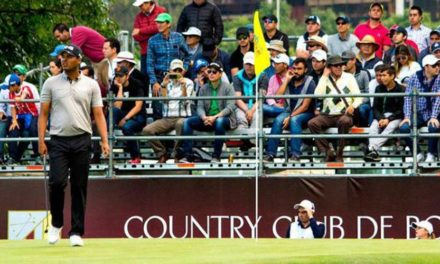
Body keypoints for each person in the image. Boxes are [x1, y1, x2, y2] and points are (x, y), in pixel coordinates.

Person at [38, 44, 109, 247]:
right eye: (62, 57)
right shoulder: (51, 83)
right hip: (58, 140)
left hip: (82, 139)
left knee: (79, 186)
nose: (63, 60)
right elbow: (43, 113)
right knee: (57, 183)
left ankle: (76, 231)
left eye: (68, 57)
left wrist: (104, 141)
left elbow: (98, 114)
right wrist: (41, 139)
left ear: (78, 60)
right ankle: (56, 224)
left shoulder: (91, 85)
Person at [179, 62, 236, 163]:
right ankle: (187, 155)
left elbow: (230, 107)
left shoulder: (228, 87)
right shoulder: (204, 88)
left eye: (214, 71)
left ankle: (216, 156)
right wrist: (204, 117)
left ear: (220, 74)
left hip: (224, 119)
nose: (211, 74)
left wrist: (215, 117)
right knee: (187, 122)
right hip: (207, 119)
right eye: (209, 71)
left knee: (219, 122)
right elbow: (199, 106)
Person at [308, 55, 362, 162]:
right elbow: (318, 95)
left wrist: (353, 106)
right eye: (335, 66)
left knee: (344, 121)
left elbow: (359, 97)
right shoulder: (324, 79)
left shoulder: (349, 77)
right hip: (327, 114)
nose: (338, 67)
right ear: (329, 67)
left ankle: (339, 153)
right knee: (312, 123)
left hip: (344, 114)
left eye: (340, 65)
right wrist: (324, 76)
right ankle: (328, 151)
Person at [264, 58, 316, 162]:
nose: (296, 71)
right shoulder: (289, 80)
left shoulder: (310, 82)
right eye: (295, 68)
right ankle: (271, 154)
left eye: (299, 69)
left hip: (306, 113)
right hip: (290, 110)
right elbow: (277, 97)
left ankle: (295, 154)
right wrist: (286, 79)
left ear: (305, 70)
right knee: (278, 120)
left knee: (294, 120)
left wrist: (290, 117)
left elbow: (305, 106)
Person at [142, 59, 194, 163]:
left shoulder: (188, 82)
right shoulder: (166, 83)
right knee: (147, 130)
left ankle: (176, 154)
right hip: (167, 118)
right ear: (170, 71)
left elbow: (186, 102)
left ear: (183, 71)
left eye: (180, 70)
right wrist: (163, 86)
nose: (177, 73)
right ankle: (162, 153)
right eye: (175, 70)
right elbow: (163, 101)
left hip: (182, 117)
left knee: (180, 124)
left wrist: (183, 86)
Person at [147, 13, 190, 119]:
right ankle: (159, 132)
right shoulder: (152, 40)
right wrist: (154, 82)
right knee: (158, 107)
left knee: (177, 104)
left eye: (162, 22)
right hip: (159, 76)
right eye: (157, 22)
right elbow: (149, 63)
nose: (159, 25)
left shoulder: (178, 38)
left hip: (176, 75)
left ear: (169, 24)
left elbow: (188, 56)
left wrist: (184, 70)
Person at [399, 54, 440, 163]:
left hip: (435, 112)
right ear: (426, 67)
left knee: (434, 126)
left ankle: (432, 153)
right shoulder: (414, 77)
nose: (437, 67)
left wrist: (434, 116)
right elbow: (408, 97)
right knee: (403, 128)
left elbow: (438, 100)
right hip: (419, 113)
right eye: (434, 65)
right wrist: (407, 116)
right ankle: (417, 153)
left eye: (438, 65)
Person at [364, 66, 404, 162]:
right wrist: (381, 118)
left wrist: (388, 119)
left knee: (389, 128)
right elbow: (375, 108)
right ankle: (373, 151)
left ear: (392, 76)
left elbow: (401, 110)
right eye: (380, 75)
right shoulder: (379, 88)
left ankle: (371, 149)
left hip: (396, 117)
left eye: (384, 75)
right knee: (373, 127)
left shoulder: (401, 89)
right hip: (381, 116)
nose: (381, 78)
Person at [110, 66, 147, 164]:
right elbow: (117, 107)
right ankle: (109, 136)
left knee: (127, 127)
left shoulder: (137, 84)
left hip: (138, 116)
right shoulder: (115, 85)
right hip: (123, 114)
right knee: (113, 110)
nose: (118, 78)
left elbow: (138, 106)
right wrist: (120, 88)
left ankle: (136, 156)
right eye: (116, 75)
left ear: (127, 76)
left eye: (121, 76)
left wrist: (125, 119)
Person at [7, 73, 39, 165]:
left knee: (32, 131)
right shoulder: (11, 93)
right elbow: (12, 107)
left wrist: (20, 98)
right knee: (13, 130)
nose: (9, 88)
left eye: (10, 86)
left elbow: (23, 96)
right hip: (21, 116)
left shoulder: (25, 88)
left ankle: (37, 156)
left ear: (16, 85)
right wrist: (14, 120)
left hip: (32, 114)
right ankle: (13, 157)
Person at [132, 0, 166, 76]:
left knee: (160, 75)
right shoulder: (138, 16)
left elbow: (159, 28)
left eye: (141, 5)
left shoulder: (161, 11)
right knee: (144, 77)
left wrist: (141, 31)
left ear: (148, 3)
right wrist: (152, 34)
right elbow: (135, 36)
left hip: (160, 51)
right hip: (145, 52)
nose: (140, 7)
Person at [342, 50, 371, 127]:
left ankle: (363, 133)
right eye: (343, 61)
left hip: (362, 102)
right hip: (346, 101)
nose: (344, 64)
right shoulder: (341, 74)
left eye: (346, 61)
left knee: (361, 110)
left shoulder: (364, 73)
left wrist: (356, 104)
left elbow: (368, 94)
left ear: (354, 60)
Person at [264, 53, 290, 118]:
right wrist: (275, 104)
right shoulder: (272, 78)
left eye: (277, 64)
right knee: (261, 107)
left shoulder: (292, 76)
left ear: (285, 65)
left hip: (288, 107)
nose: (275, 66)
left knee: (262, 108)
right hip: (276, 107)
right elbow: (269, 95)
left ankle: (286, 112)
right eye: (274, 63)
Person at [0, 81, 10, 164]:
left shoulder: (3, 90)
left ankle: (0, 156)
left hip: (7, 117)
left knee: (1, 129)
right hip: (5, 117)